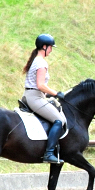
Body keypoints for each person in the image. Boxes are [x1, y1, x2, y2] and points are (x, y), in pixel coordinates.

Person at [22, 34, 67, 164]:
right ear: (44, 47)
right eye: (51, 47)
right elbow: (41, 85)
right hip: (35, 97)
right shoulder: (41, 62)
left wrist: (50, 95)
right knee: (58, 120)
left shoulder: (35, 60)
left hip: (32, 95)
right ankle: (48, 153)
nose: (51, 50)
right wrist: (56, 93)